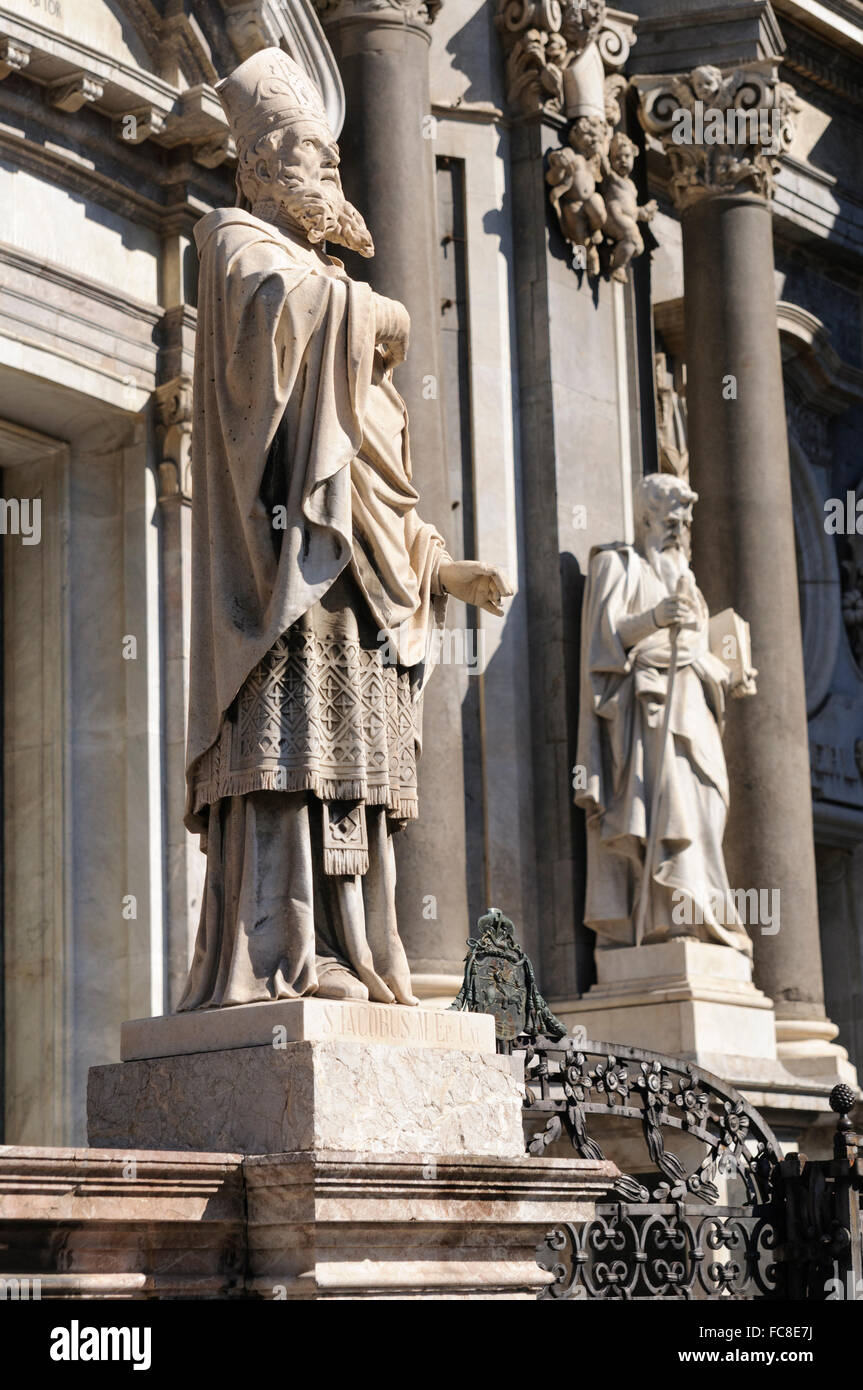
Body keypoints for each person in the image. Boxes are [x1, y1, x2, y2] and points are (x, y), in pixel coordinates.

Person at [179, 48, 511, 1010]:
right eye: (305, 157)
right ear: (255, 169)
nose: (328, 174)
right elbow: (280, 326)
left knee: (358, 776)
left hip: (356, 579)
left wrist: (442, 572)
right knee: (290, 758)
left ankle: (358, 947)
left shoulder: (334, 299)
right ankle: (279, 952)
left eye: (331, 158)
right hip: (283, 564)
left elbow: (376, 481)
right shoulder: (233, 239)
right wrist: (378, 312)